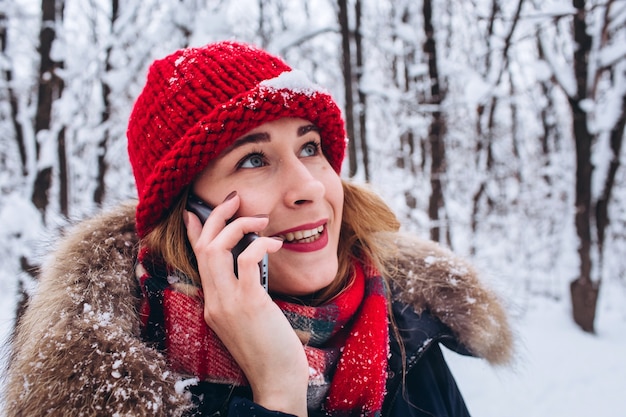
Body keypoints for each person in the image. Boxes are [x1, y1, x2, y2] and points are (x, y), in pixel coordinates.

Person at [2, 41, 513, 416]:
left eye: (310, 148)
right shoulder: (120, 390)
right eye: (253, 159)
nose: (307, 187)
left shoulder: (403, 330)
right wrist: (278, 390)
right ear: (191, 217)